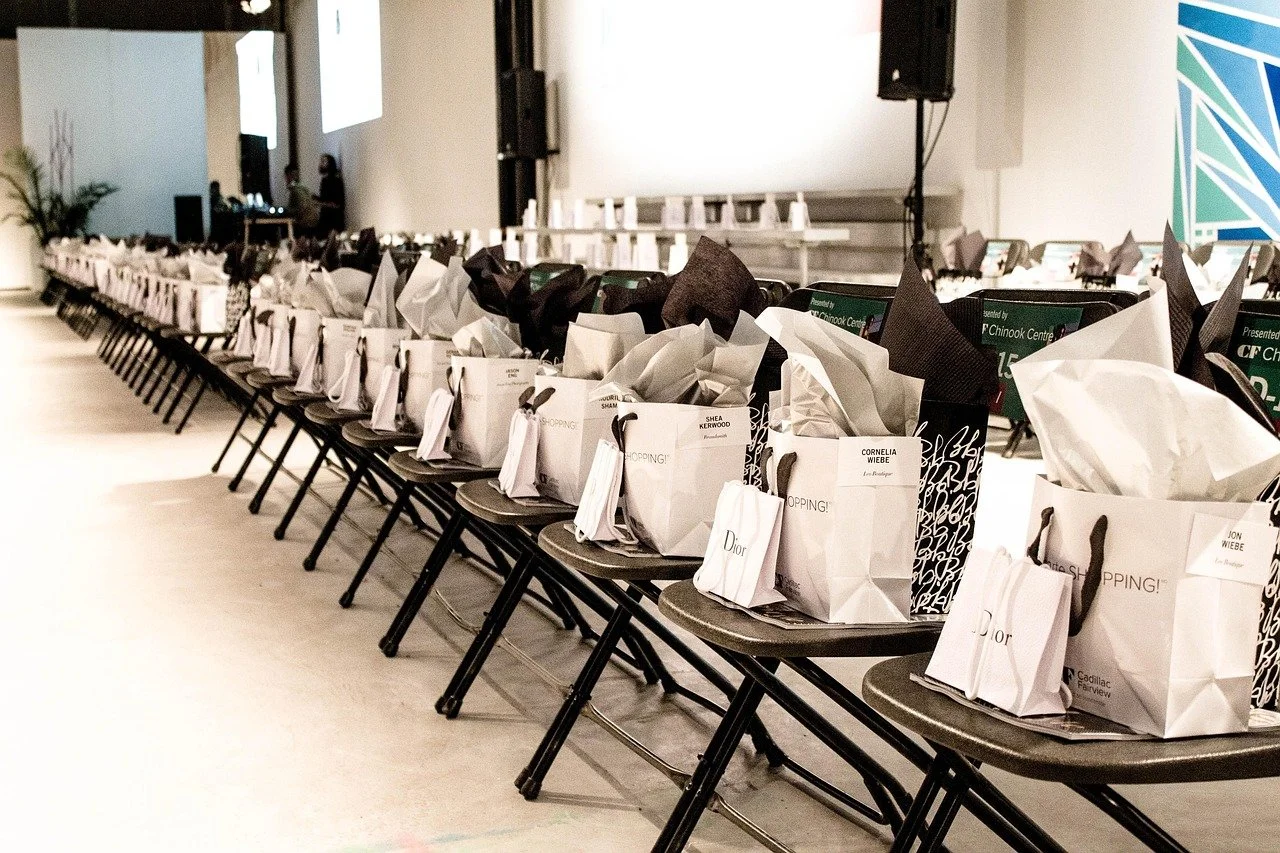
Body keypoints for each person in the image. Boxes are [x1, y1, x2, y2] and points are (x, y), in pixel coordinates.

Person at [284, 163, 320, 234]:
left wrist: (288, 211)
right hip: (313, 222)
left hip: (304, 224)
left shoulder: (295, 190)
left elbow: (302, 206)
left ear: (288, 176)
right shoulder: (303, 188)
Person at [316, 153, 346, 236]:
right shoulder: (324, 180)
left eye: (323, 161)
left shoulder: (335, 181)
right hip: (325, 218)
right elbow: (324, 199)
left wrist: (320, 203)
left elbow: (337, 204)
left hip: (333, 220)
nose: (320, 164)